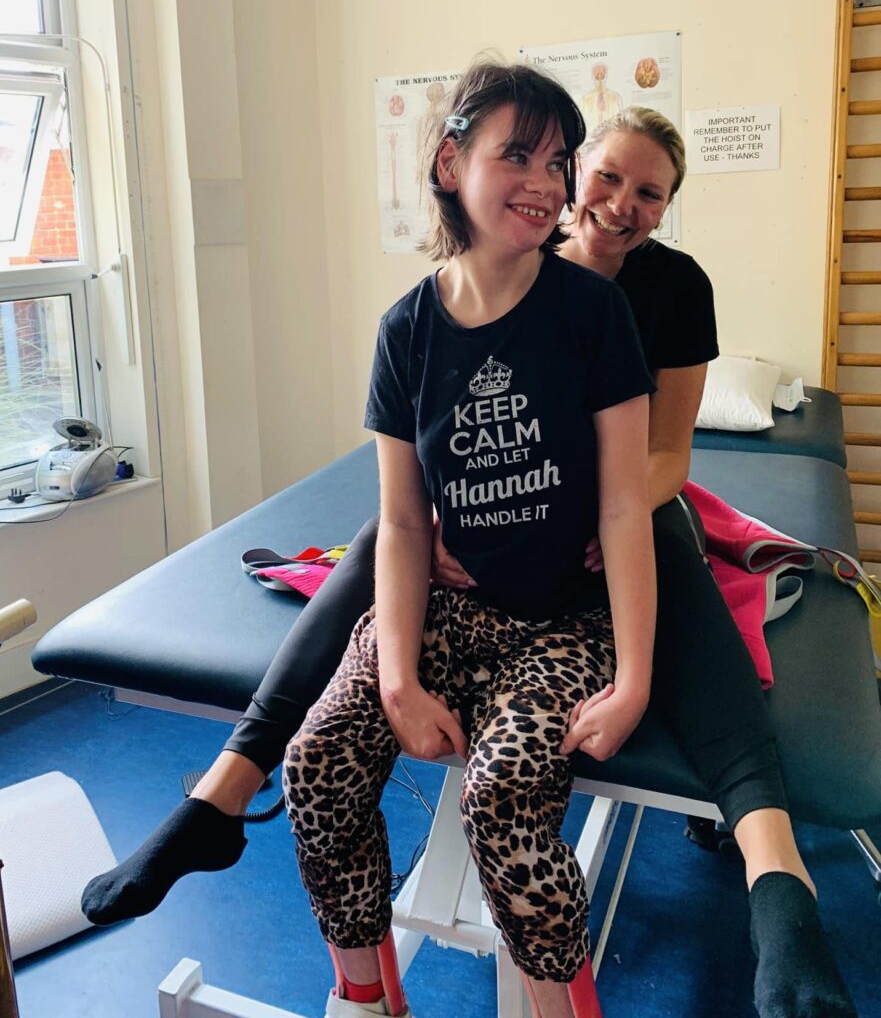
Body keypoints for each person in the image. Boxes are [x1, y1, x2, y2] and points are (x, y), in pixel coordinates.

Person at [80, 97, 857, 1018]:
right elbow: (415, 497)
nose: (616, 202)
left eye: (646, 193)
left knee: (662, 556)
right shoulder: (454, 295)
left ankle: (772, 864)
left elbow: (661, 456)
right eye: (601, 175)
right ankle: (229, 788)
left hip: (621, 501)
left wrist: (571, 528)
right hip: (488, 523)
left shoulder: (647, 294)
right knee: (383, 542)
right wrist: (446, 556)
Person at [282, 60, 655, 1018]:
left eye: (558, 161)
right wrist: (398, 680)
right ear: (451, 164)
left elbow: (624, 508)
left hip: (562, 626)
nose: (545, 182)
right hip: (449, 610)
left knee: (500, 799)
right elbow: (404, 523)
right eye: (516, 155)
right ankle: (364, 994)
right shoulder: (406, 330)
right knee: (314, 765)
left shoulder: (591, 312)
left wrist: (632, 681)